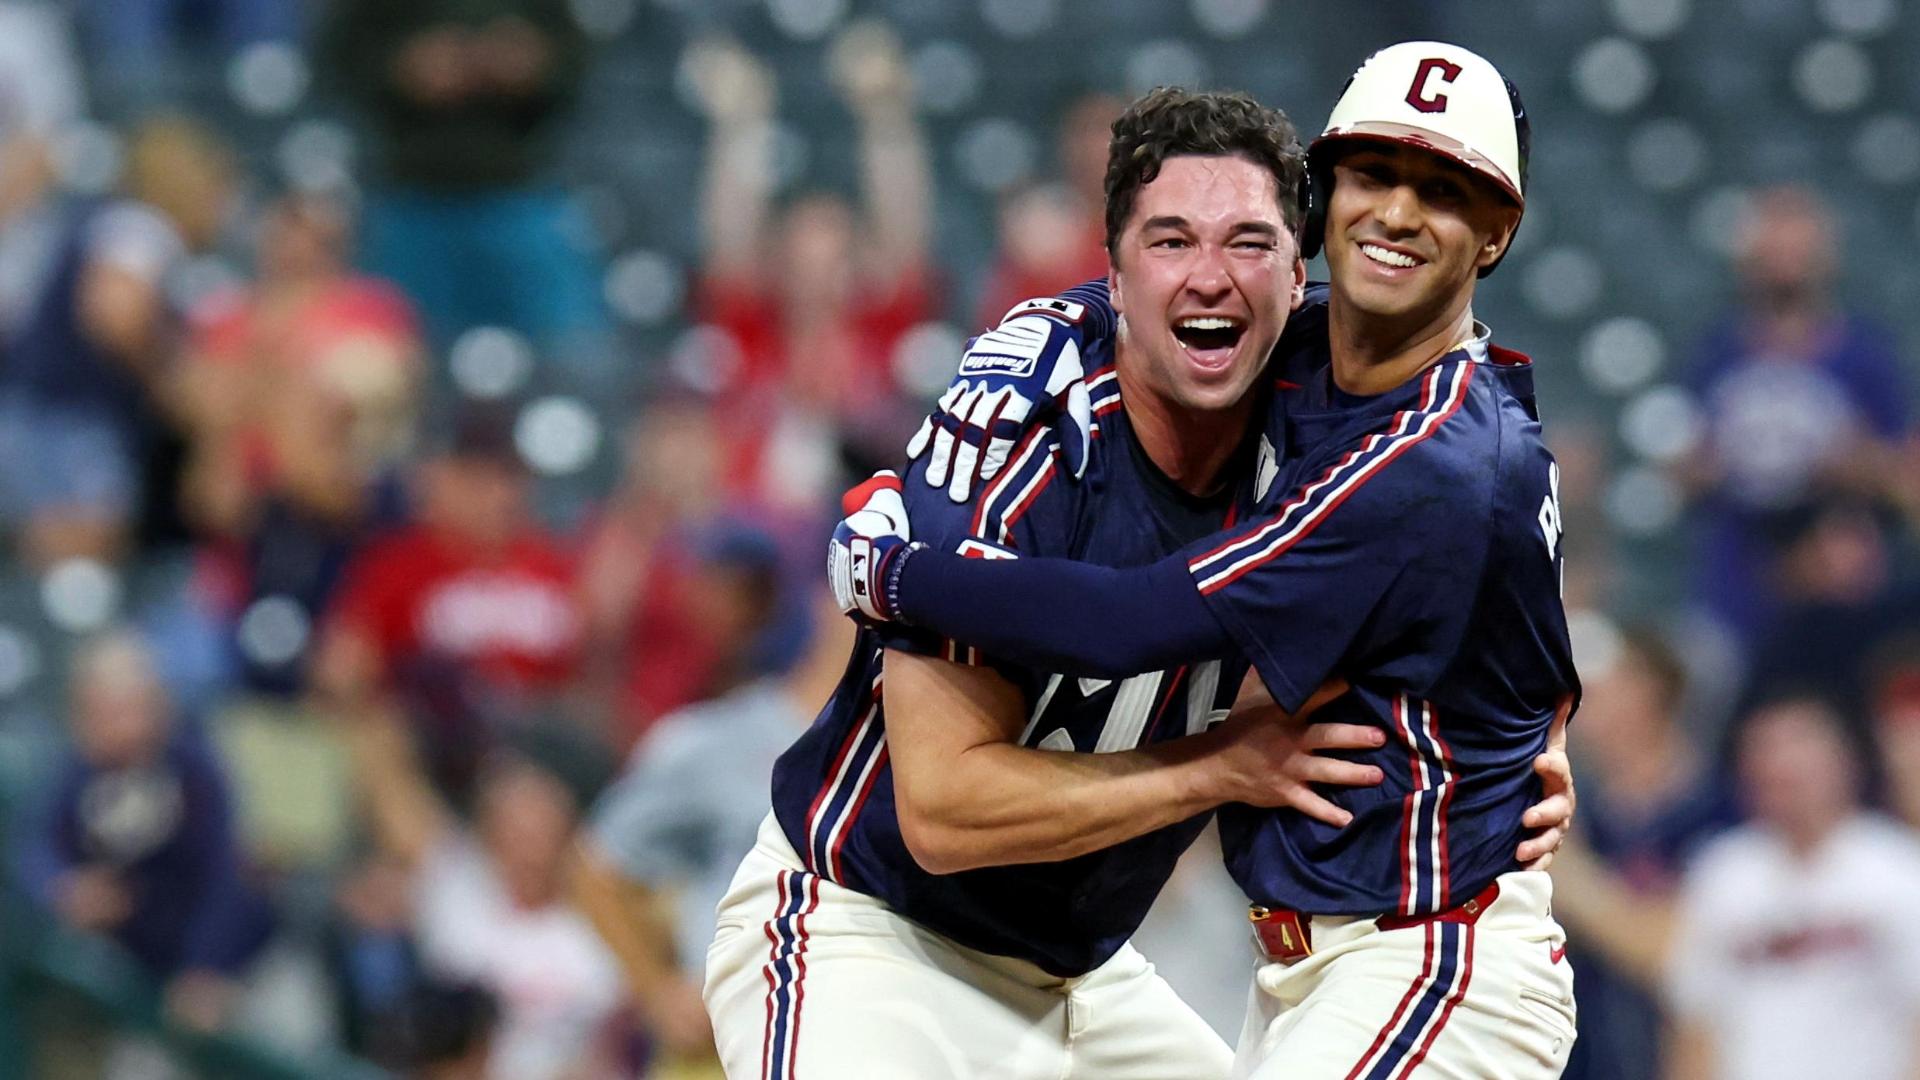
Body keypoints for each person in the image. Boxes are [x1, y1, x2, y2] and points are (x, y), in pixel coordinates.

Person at [713, 84, 1571, 1079]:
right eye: (1170, 242)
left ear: (1300, 278)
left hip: (1082, 981)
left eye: (1248, 242)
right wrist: (1219, 765)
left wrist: (1531, 741)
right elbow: (943, 812)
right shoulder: (1023, 429)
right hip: (871, 933)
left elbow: (1497, 497)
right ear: (1113, 276)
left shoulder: (1343, 396)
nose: (1210, 277)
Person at [1665, 694, 1920, 1080]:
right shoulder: (1723, 871)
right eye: (1764, 751)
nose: (1781, 765)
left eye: (1799, 746)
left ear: (1846, 760)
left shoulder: (1899, 867)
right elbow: (1697, 1022)